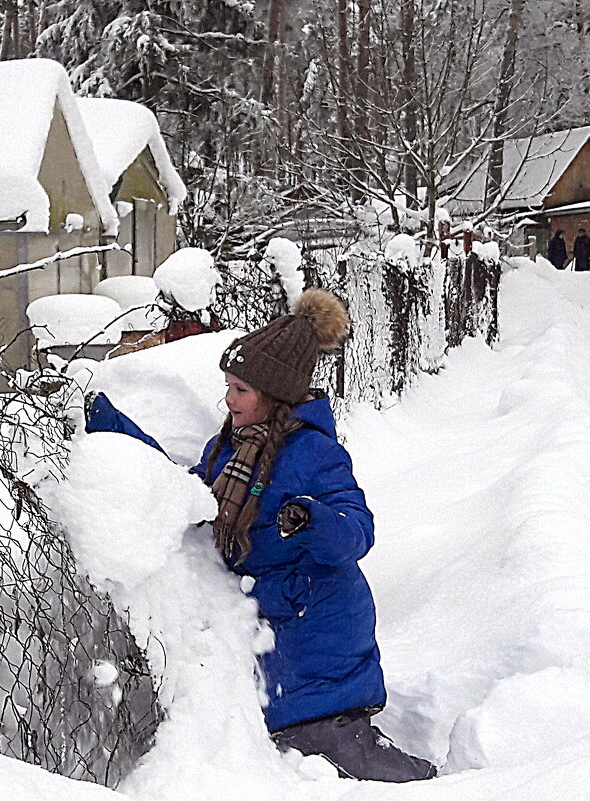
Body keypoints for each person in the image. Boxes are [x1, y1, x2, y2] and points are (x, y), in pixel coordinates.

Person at [86, 289, 436, 782]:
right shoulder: (227, 448)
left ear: (274, 396)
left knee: (341, 752)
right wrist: (120, 432)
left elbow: (358, 531)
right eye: (228, 386)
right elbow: (187, 493)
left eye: (241, 390)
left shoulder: (314, 452)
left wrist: (313, 520)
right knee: (290, 744)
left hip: (317, 624)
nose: (229, 400)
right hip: (272, 625)